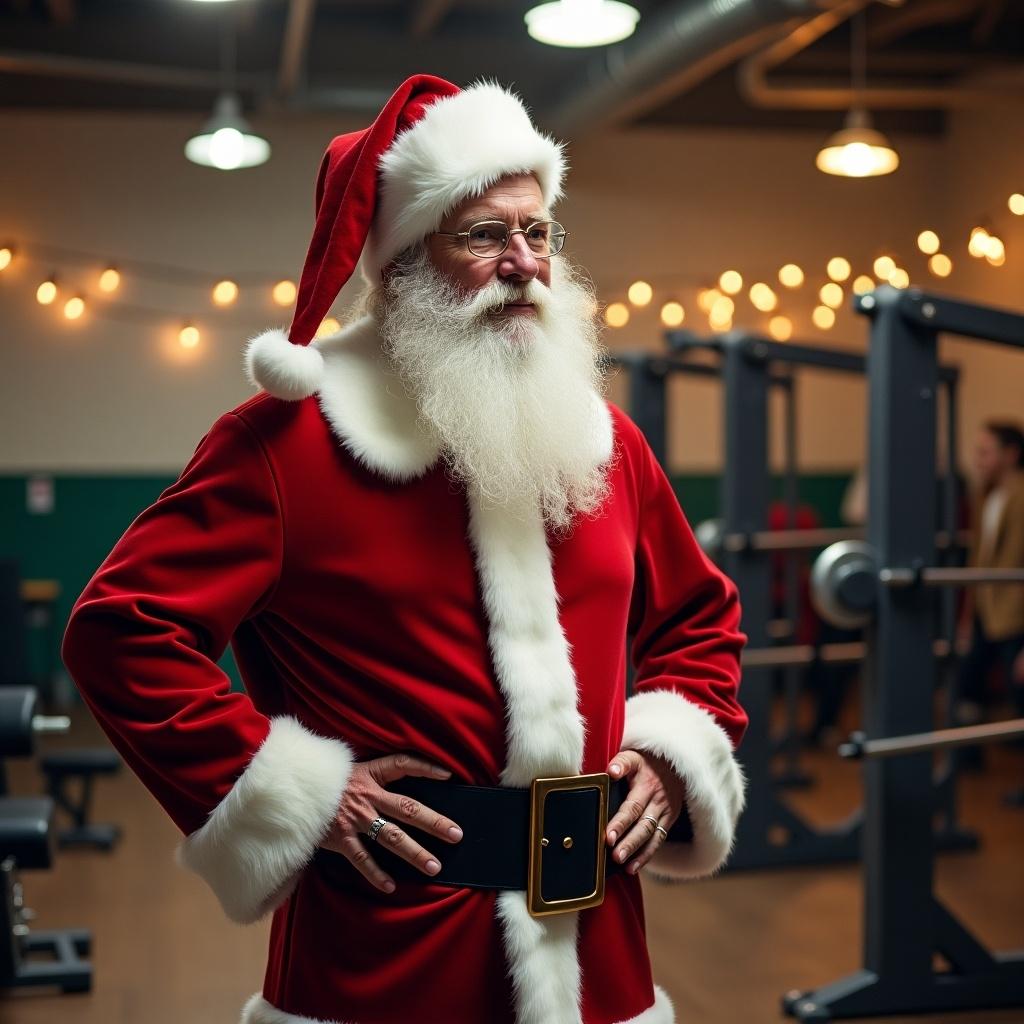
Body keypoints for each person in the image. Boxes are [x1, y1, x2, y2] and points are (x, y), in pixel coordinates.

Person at [61, 75, 748, 1024]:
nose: (524, 263)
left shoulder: (602, 440)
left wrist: (673, 755)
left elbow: (699, 616)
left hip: (597, 945)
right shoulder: (288, 443)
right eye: (483, 235)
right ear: (401, 264)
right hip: (386, 946)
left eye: (538, 230)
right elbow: (120, 631)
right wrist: (299, 793)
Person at [956, 421, 1024, 737]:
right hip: (988, 610)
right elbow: (978, 559)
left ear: (1011, 454)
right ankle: (967, 760)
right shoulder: (985, 495)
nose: (978, 460)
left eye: (986, 452)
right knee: (965, 686)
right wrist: (968, 617)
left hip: (1015, 616)